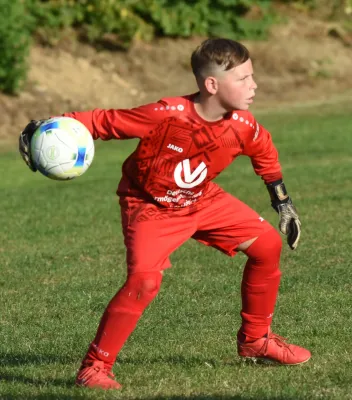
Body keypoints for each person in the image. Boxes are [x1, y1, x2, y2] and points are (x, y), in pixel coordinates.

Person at [19, 38, 311, 390]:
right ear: (212, 85)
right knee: (144, 281)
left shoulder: (243, 126)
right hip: (149, 207)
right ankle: (94, 367)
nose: (254, 85)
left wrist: (283, 203)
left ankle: (256, 340)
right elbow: (106, 122)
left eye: (253, 77)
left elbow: (265, 152)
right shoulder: (167, 114)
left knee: (266, 244)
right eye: (244, 78)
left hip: (202, 200)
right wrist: (49, 125)